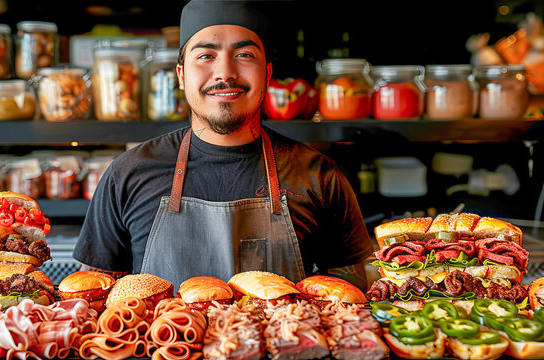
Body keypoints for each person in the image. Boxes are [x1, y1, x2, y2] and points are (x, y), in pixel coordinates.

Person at [73, 0, 373, 292]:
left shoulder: (319, 177)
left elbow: (352, 304)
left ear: (267, 74)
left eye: (244, 54)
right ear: (181, 76)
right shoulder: (128, 174)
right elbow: (93, 302)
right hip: (163, 343)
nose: (225, 72)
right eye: (205, 56)